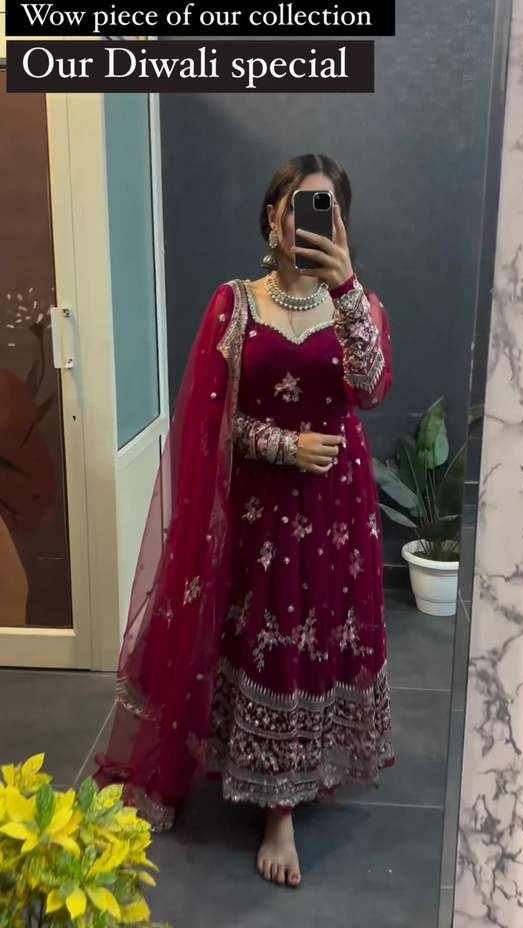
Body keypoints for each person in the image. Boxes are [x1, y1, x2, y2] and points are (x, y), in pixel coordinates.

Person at [94, 153, 395, 889]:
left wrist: (346, 289)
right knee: (261, 636)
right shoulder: (235, 305)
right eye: (299, 207)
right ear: (272, 217)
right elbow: (207, 425)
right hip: (257, 508)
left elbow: (371, 387)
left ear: (342, 223)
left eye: (327, 209)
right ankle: (268, 797)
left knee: (313, 635)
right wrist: (285, 446)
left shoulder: (358, 305)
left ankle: (287, 797)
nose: (310, 222)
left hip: (335, 509)